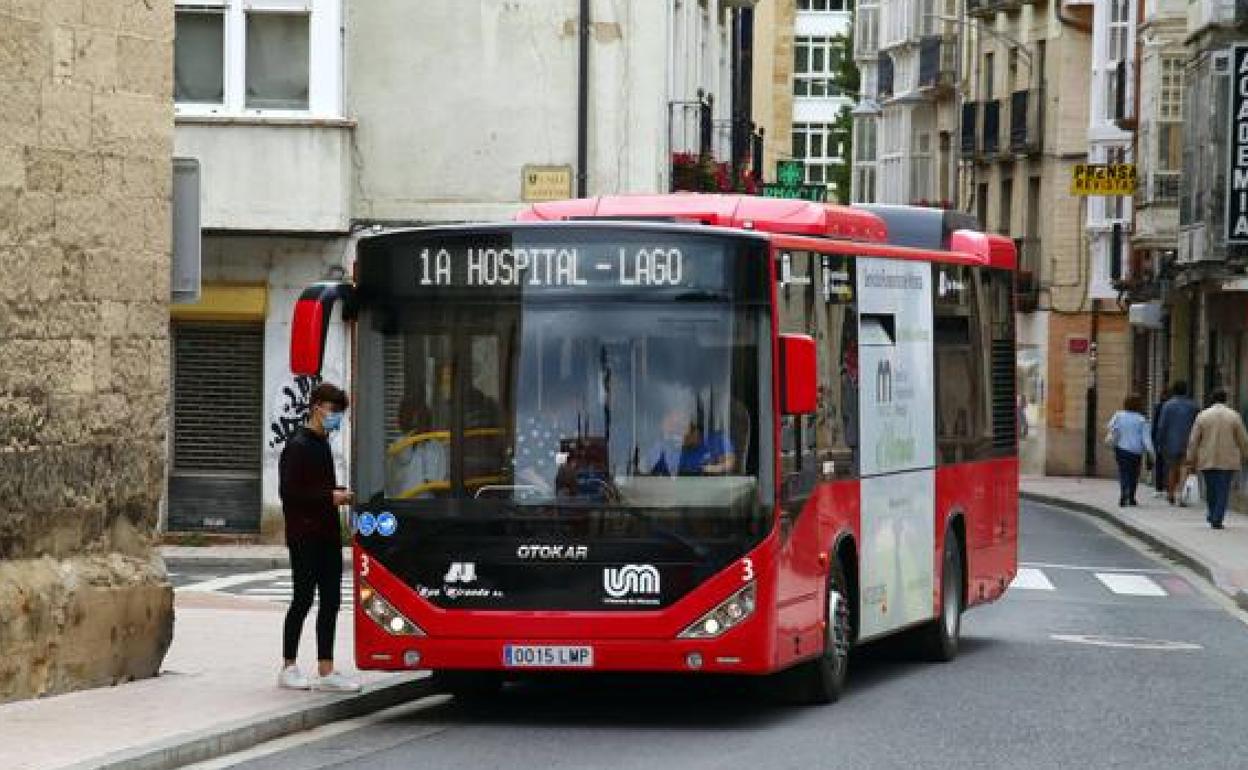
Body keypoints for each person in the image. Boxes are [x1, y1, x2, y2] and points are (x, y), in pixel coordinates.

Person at [277, 383, 360, 692]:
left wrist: (338, 493)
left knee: (332, 600)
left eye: (340, 412)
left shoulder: (323, 443)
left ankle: (326, 669)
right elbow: (290, 491)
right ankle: (288, 665)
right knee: (303, 598)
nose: (336, 417)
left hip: (327, 534)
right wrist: (330, 497)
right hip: (304, 535)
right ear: (317, 407)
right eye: (333, 410)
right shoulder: (297, 445)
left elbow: (319, 485)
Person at [1185, 387, 1248, 529]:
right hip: (1228, 459)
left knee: (1211, 489)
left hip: (1207, 457)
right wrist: (1245, 454)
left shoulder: (1203, 416)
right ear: (1226, 399)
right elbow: (1243, 439)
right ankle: (1217, 517)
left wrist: (1191, 457)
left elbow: (1194, 439)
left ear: (1211, 399)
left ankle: (1212, 513)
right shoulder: (1234, 416)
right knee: (1223, 489)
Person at [646, 394, 735, 476]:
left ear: (695, 430)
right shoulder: (662, 447)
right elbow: (645, 468)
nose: (676, 436)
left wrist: (713, 469)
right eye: (673, 432)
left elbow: (729, 463)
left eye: (680, 429)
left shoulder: (717, 440)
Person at [1156, 380, 1200, 505]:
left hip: (1171, 442)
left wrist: (1159, 441)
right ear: (1186, 390)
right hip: (1189, 442)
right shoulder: (1194, 406)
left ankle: (1170, 494)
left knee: (1172, 468)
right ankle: (1181, 495)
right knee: (1185, 468)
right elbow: (1198, 425)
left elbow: (1162, 426)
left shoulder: (1168, 405)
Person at [1106, 393, 1153, 507]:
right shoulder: (1142, 419)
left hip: (1121, 448)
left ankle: (1124, 493)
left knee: (1123, 472)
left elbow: (1110, 427)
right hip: (1136, 451)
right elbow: (1146, 439)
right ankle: (1131, 496)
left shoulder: (1119, 415)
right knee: (1134, 473)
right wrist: (1151, 452)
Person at [1150, 386, 1169, 498]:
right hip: (1171, 440)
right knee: (1168, 465)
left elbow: (1156, 425)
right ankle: (1168, 487)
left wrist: (1154, 440)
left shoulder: (1159, 407)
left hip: (1161, 440)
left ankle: (1159, 488)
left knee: (1160, 464)